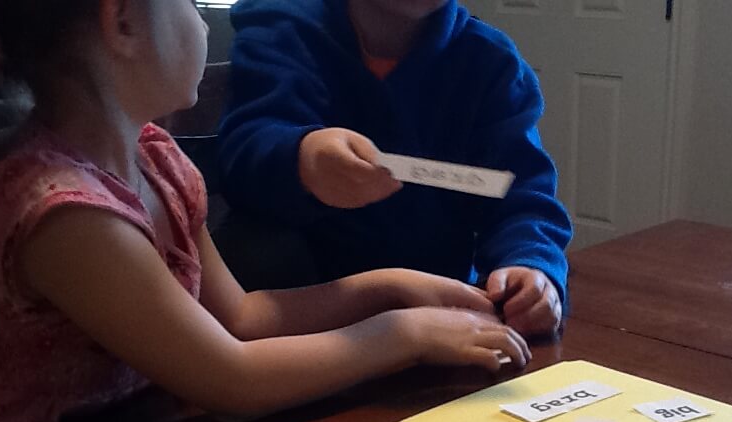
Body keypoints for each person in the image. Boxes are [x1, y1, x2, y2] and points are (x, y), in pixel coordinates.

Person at [0, 0, 530, 422]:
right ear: (122, 25)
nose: (201, 24)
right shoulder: (65, 215)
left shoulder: (157, 161)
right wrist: (405, 335)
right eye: (191, 3)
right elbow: (232, 381)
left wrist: (389, 286)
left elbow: (243, 319)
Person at [216, 0, 571, 338]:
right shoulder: (283, 30)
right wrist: (302, 158)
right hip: (300, 322)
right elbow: (242, 153)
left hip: (436, 316)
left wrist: (531, 264)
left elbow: (523, 193)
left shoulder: (490, 62)